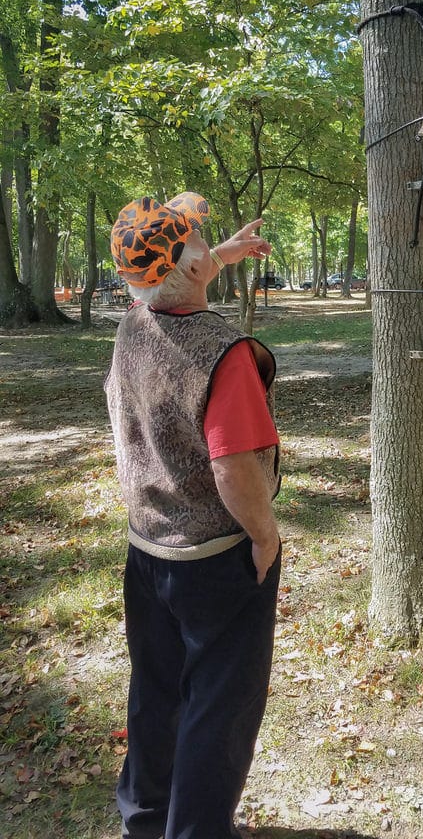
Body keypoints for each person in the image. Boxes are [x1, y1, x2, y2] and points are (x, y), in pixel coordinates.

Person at [104, 192, 282, 839]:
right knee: (220, 708)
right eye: (196, 238)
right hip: (215, 560)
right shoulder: (224, 354)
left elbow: (157, 275)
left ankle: (145, 821)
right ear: (194, 265)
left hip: (147, 550)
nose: (204, 238)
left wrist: (214, 254)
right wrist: (264, 538)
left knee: (157, 693)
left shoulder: (134, 325)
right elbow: (234, 468)